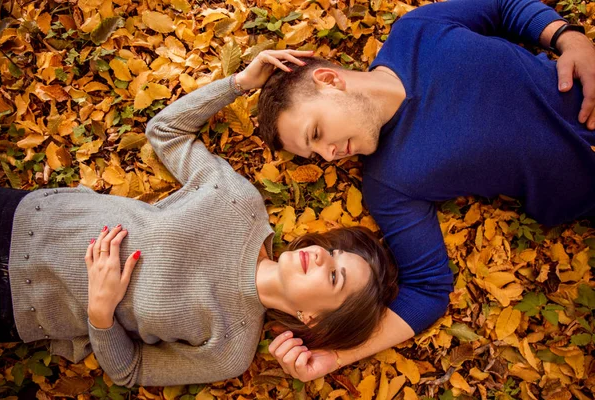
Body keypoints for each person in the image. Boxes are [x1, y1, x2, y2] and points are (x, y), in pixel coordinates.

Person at [0, 51, 398, 387]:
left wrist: (100, 314)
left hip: (14, 308)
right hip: (21, 219)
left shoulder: (230, 351)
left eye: (334, 277)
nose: (323, 257)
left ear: (311, 318)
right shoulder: (239, 203)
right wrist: (239, 82)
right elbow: (166, 131)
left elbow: (129, 370)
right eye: (334, 254)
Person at [255, 0, 595, 382]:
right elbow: (428, 290)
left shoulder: (415, 33)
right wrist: (336, 358)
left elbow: (504, 6)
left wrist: (572, 40)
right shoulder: (389, 185)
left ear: (329, 81)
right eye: (315, 154)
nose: (329, 155)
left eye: (316, 134)